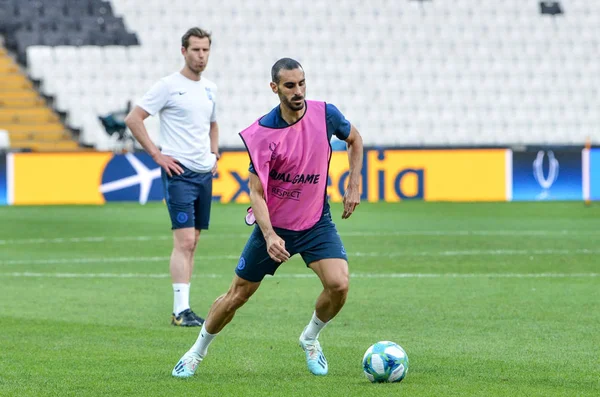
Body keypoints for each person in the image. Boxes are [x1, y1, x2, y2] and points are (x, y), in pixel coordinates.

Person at [171, 57, 364, 377]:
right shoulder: (263, 134)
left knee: (339, 285)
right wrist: (271, 235)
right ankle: (196, 351)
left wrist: (353, 183)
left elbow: (355, 139)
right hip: (273, 227)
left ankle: (310, 338)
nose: (298, 91)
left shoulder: (326, 114)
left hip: (316, 220)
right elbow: (257, 193)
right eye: (290, 85)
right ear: (275, 88)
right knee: (236, 296)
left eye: (302, 83)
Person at [124, 27, 219, 327]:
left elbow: (213, 124)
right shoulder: (168, 86)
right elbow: (134, 118)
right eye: (196, 50)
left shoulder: (210, 89)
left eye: (205, 50)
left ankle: (185, 307)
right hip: (179, 173)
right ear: (183, 51)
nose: (201, 55)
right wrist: (157, 155)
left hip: (204, 174)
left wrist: (215, 154)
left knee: (194, 242)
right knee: (185, 240)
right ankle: (180, 311)